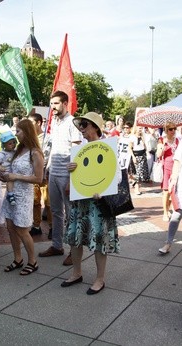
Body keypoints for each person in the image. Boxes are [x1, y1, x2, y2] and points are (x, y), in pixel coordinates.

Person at [61, 112, 120, 294]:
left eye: (84, 125)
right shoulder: (80, 151)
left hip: (98, 204)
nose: (82, 129)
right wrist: (71, 170)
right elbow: (75, 181)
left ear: (95, 127)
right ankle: (77, 272)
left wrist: (103, 192)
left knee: (99, 240)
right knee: (75, 239)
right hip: (81, 203)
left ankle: (100, 279)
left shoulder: (107, 148)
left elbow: (116, 177)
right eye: (80, 126)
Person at [38, 91, 82, 266]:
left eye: (56, 103)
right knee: (55, 212)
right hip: (54, 173)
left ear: (65, 103)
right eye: (51, 104)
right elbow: (53, 148)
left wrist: (72, 180)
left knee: (71, 214)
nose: (53, 107)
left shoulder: (73, 122)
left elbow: (76, 151)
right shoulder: (54, 122)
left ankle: (74, 251)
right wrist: (47, 170)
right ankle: (57, 245)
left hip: (67, 175)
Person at [1, 119, 44, 275]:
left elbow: (38, 179)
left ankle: (32, 261)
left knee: (22, 229)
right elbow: (11, 170)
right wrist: (5, 176)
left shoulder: (35, 152)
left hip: (24, 195)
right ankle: (17, 258)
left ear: (26, 132)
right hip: (11, 193)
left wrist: (15, 176)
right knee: (11, 227)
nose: (16, 134)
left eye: (18, 131)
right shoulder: (19, 150)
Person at [28, 112, 53, 237]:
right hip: (33, 176)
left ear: (38, 123)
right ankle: (36, 225)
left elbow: (47, 156)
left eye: (31, 123)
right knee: (35, 201)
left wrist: (41, 171)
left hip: (44, 176)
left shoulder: (48, 138)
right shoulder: (29, 139)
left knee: (48, 202)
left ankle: (52, 227)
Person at [155, 121, 179, 221]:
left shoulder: (177, 140)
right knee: (166, 191)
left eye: (174, 129)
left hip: (176, 167)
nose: (173, 131)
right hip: (166, 167)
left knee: (172, 190)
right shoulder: (161, 140)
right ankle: (165, 212)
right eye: (170, 129)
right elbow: (158, 155)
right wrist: (163, 147)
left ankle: (169, 208)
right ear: (166, 130)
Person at [0, 131, 17, 205]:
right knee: (10, 180)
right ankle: (10, 194)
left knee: (11, 180)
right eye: (10, 144)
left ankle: (10, 193)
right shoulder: (2, 153)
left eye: (14, 142)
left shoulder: (15, 151)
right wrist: (0, 168)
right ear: (4, 145)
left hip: (12, 170)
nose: (13, 145)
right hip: (6, 170)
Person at [130, 125, 149, 195]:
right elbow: (130, 148)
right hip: (136, 156)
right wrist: (133, 157)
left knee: (142, 173)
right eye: (139, 128)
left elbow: (144, 146)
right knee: (138, 173)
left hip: (143, 155)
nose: (140, 129)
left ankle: (136, 185)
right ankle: (136, 188)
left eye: (141, 128)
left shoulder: (142, 137)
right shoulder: (132, 137)